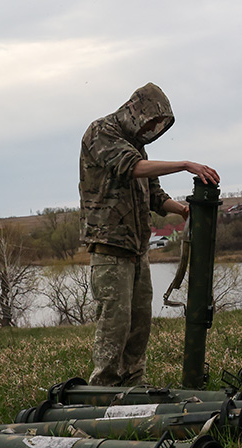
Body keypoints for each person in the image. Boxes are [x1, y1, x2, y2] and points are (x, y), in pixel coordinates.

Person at [78, 82, 219, 387]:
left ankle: (134, 385)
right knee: (114, 325)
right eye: (152, 122)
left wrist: (181, 210)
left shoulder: (137, 146)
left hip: (137, 250)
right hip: (110, 249)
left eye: (159, 125)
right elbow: (131, 167)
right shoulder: (100, 133)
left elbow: (154, 194)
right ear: (136, 112)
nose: (153, 129)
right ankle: (102, 391)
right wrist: (184, 164)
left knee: (139, 324)